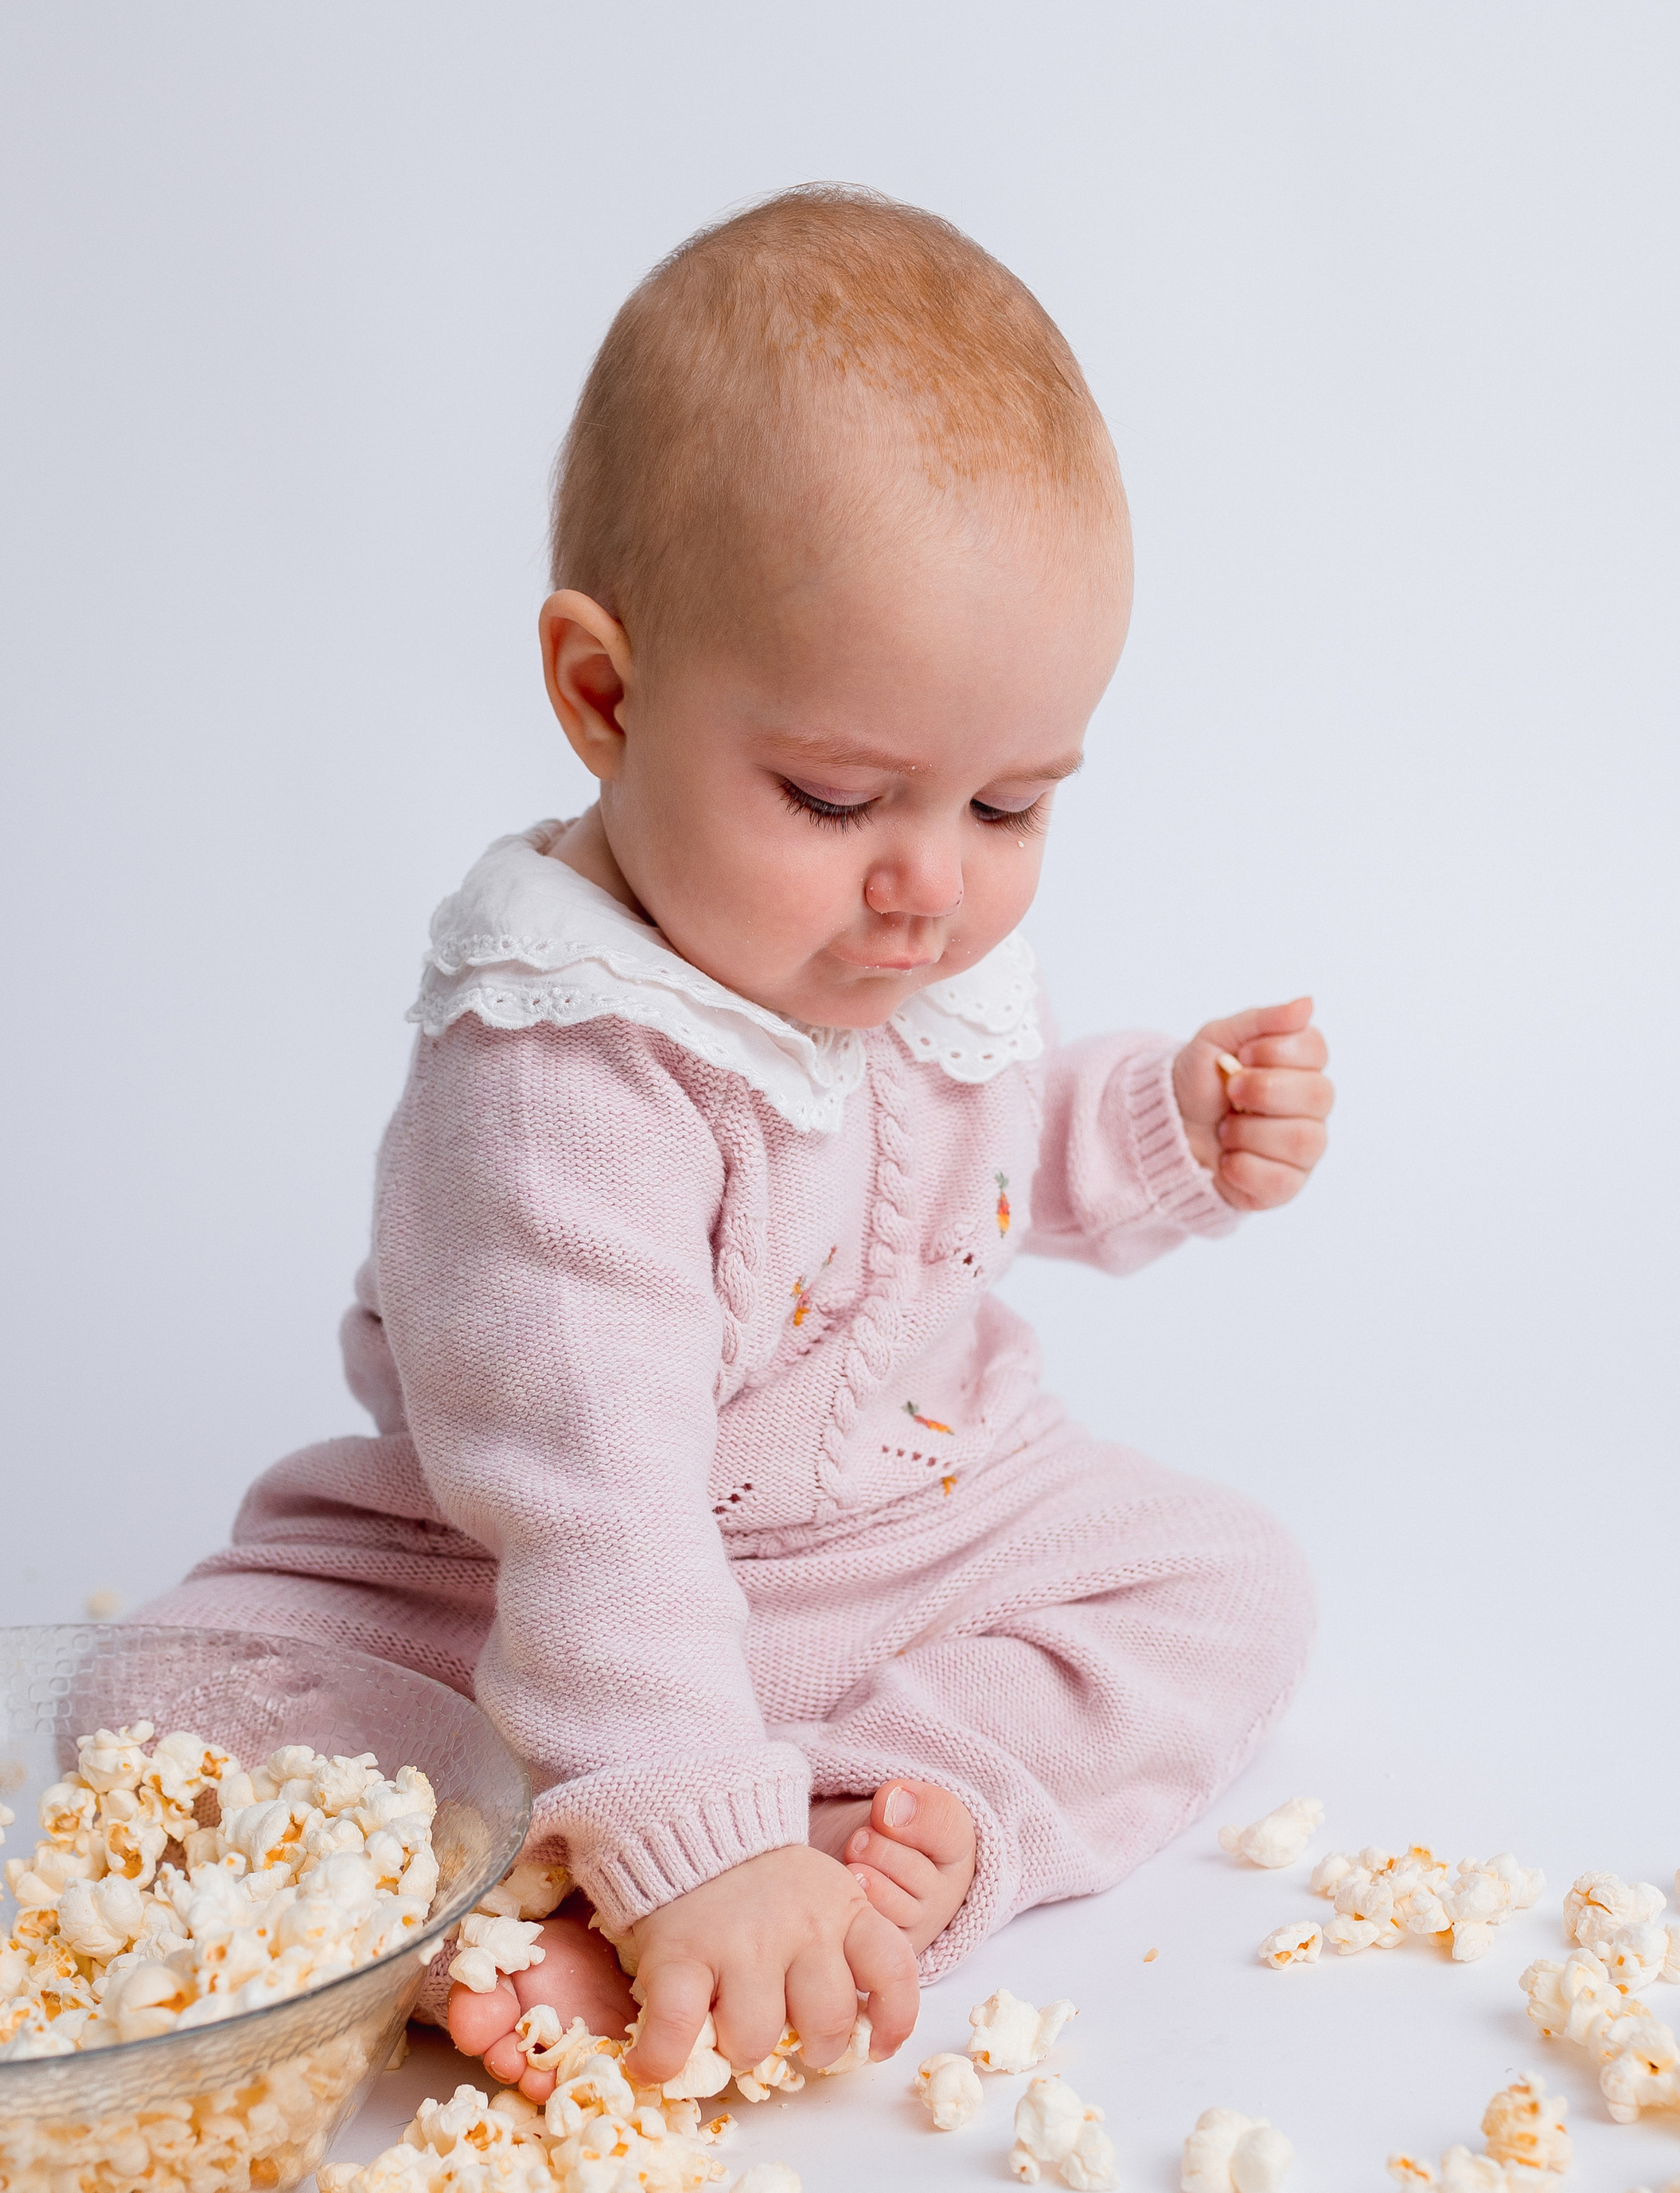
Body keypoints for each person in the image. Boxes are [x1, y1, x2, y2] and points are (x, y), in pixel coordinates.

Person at [142, 186, 1331, 2096]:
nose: (929, 887)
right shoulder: (556, 1075)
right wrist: (687, 1813)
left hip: (907, 1540)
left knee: (1227, 1582)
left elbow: (979, 1159)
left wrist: (1158, 1123)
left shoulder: (880, 943)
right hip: (520, 1580)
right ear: (603, 698)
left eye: (1013, 805)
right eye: (839, 793)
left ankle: (874, 1842)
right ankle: (608, 1877)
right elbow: (591, 1488)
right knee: (186, 1702)